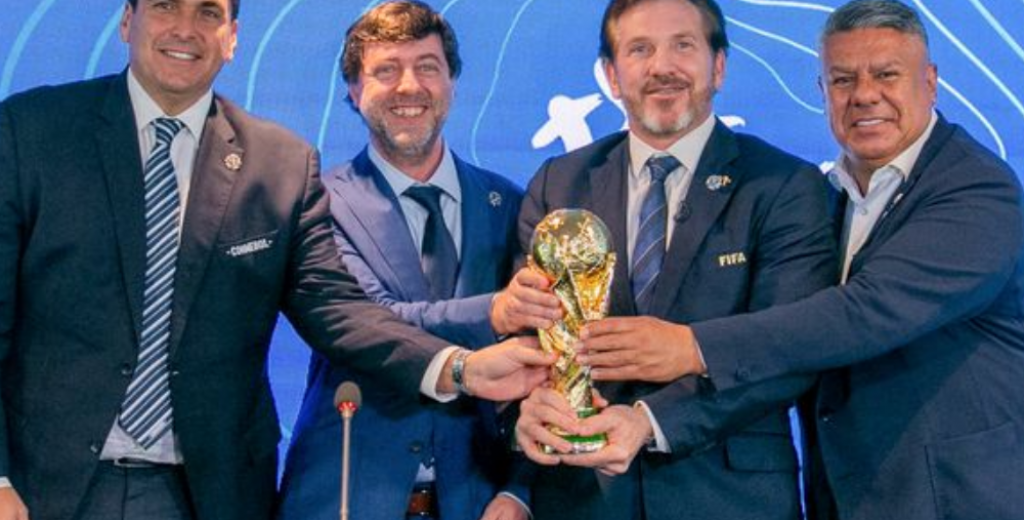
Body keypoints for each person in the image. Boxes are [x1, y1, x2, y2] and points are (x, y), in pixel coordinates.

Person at [0, 1, 552, 519]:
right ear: (127, 21)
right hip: (40, 484)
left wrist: (460, 368)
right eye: (165, 5)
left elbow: (338, 311)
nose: (186, 28)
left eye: (209, 12)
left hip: (209, 492)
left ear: (233, 38)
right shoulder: (32, 131)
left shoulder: (279, 164)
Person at [575, 1, 1024, 519]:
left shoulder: (977, 190)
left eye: (886, 75)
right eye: (842, 79)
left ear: (930, 81)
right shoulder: (824, 193)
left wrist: (692, 347)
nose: (864, 95)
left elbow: (864, 312)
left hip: (956, 497)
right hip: (847, 495)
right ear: (821, 91)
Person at [508, 0, 838, 518]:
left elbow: (789, 352)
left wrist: (650, 421)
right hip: (581, 497)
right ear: (612, 76)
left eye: (683, 45)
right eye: (640, 49)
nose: (662, 66)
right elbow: (529, 338)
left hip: (729, 499)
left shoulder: (785, 185)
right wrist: (526, 410)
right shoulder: (559, 182)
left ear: (719, 66)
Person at [277, 3, 532, 520]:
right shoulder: (317, 202)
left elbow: (543, 362)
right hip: (345, 496)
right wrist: (496, 311)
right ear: (354, 90)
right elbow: (371, 320)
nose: (408, 86)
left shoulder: (507, 204)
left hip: (479, 499)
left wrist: (520, 491)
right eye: (386, 70)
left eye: (427, 67)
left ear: (452, 82)